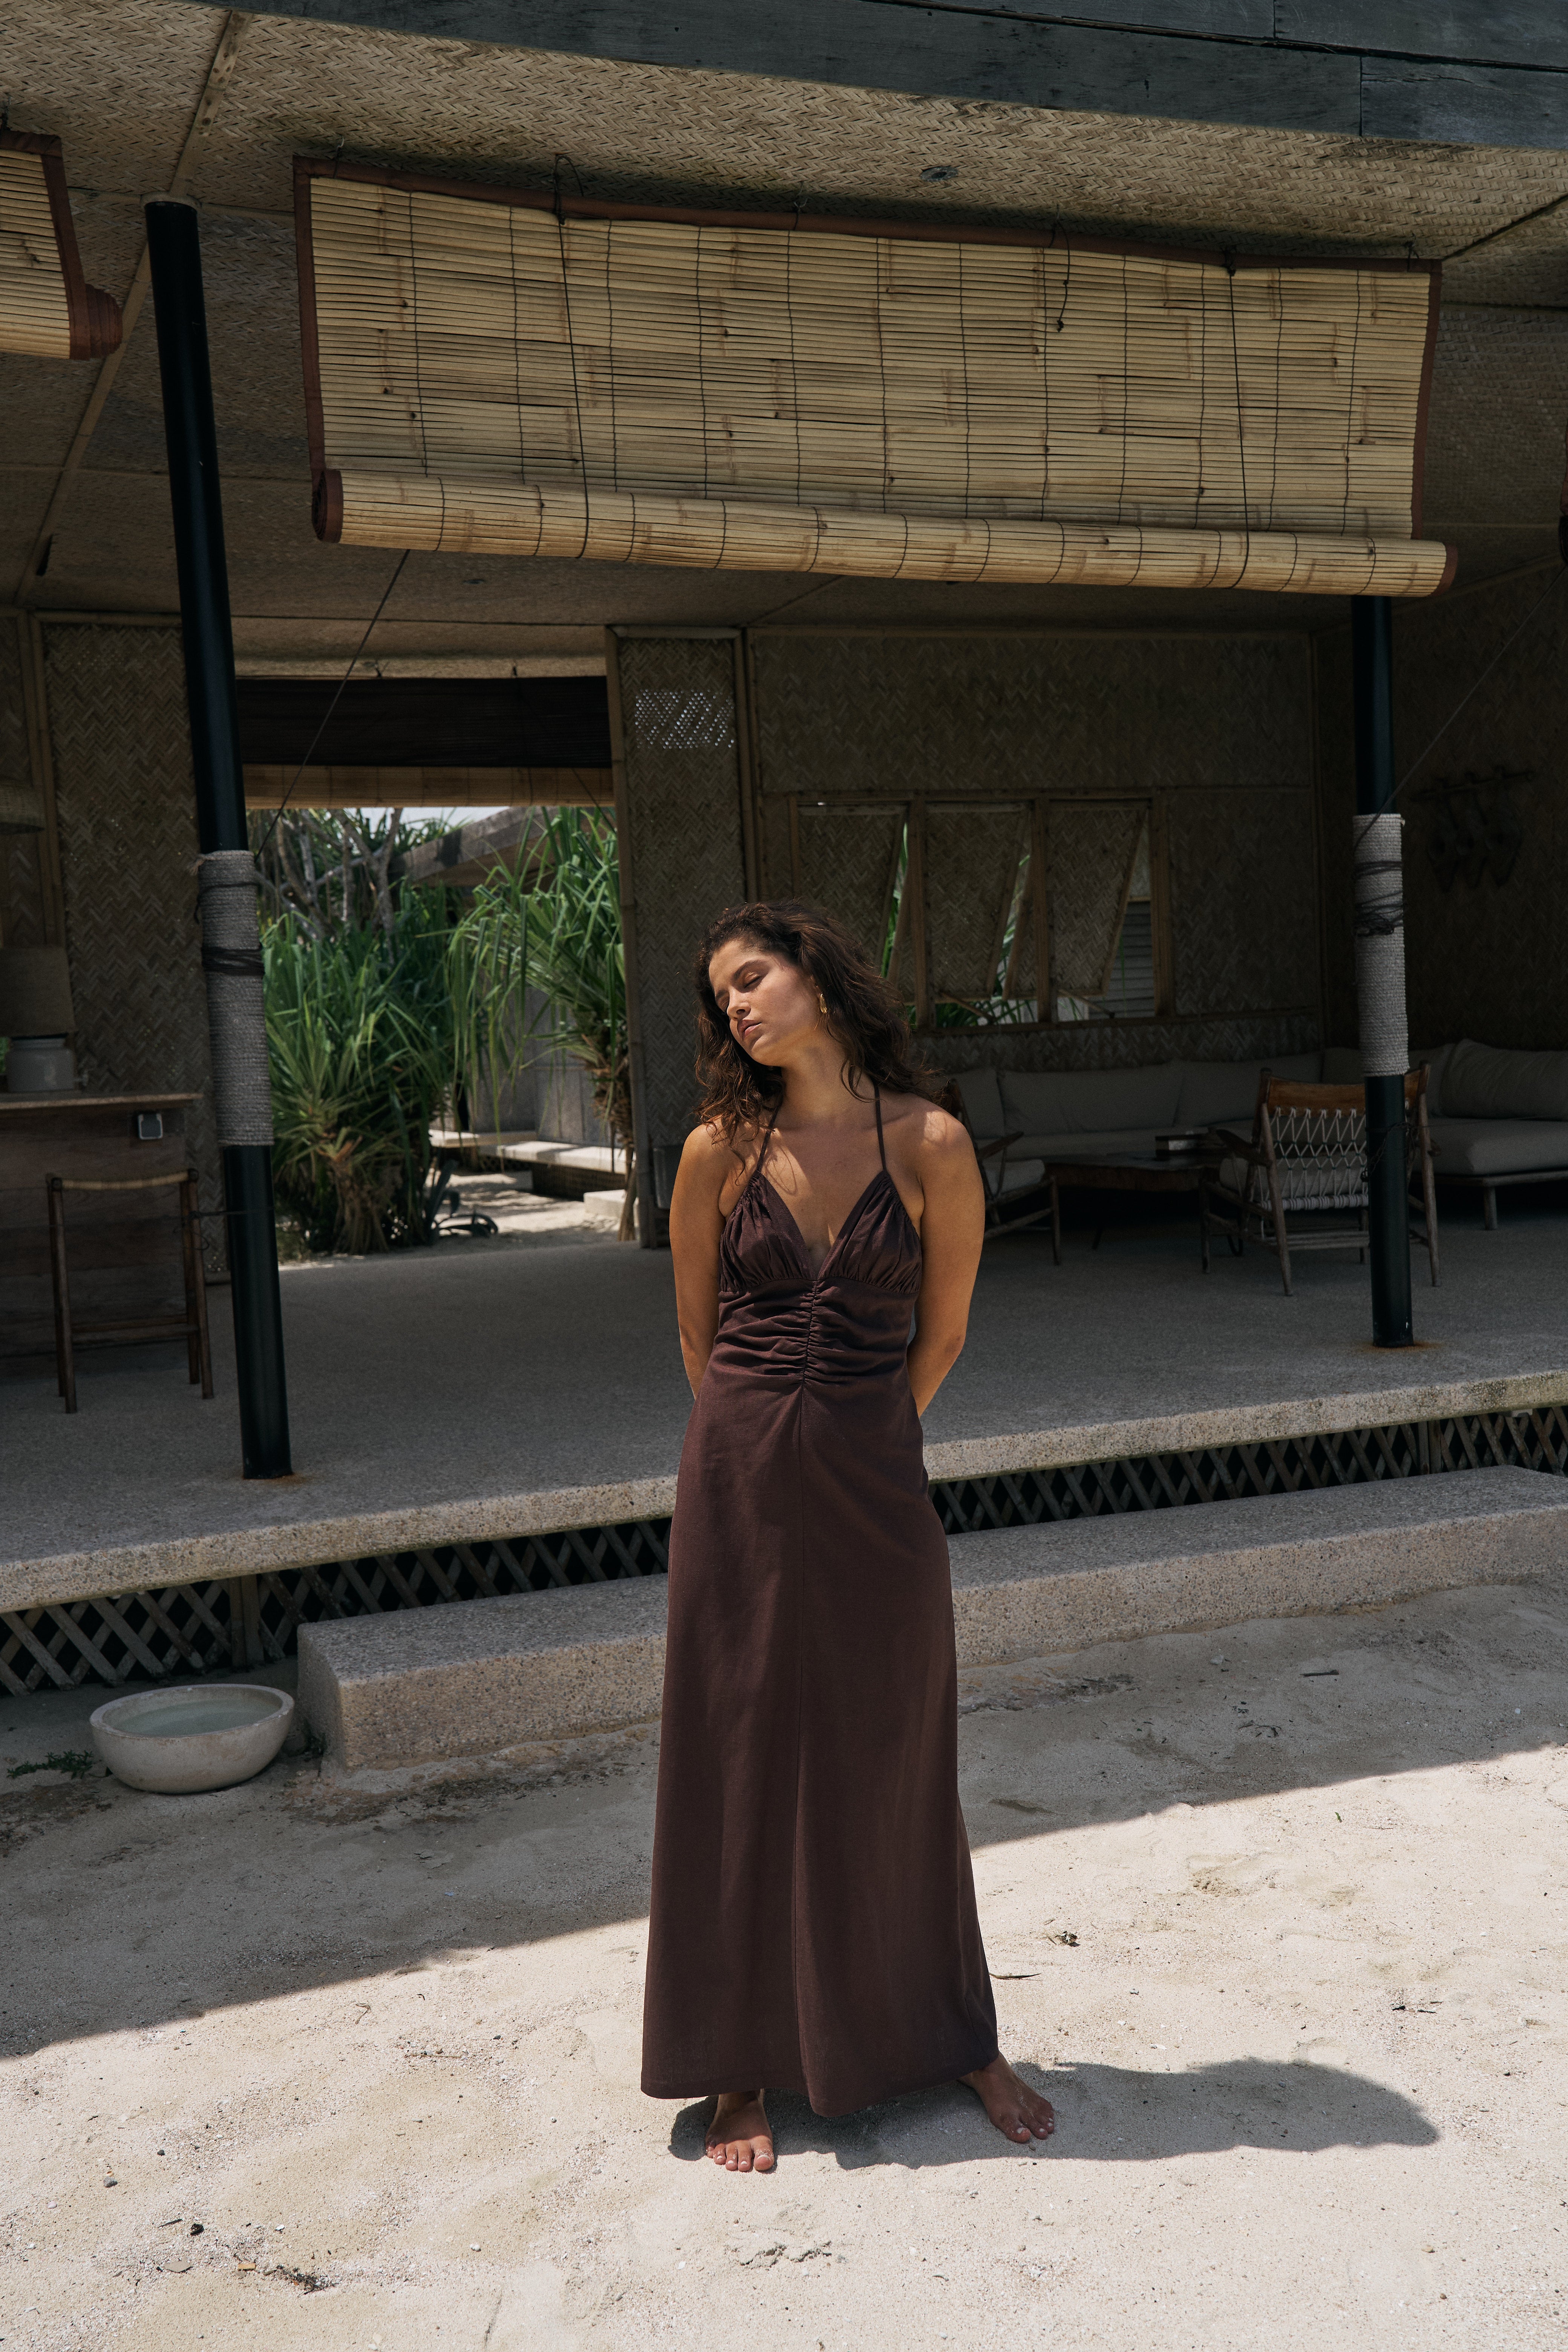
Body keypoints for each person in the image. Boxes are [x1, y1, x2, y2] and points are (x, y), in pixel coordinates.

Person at [641, 899, 1055, 2173]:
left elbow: (945, 1335)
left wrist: (868, 1436)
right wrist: (770, 1436)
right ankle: (738, 2063)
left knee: (897, 1743)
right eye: (722, 999)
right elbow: (699, 1339)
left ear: (816, 972)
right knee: (740, 1749)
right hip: (742, 1477)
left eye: (752, 979)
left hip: (878, 1483)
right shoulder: (718, 1147)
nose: (738, 1009)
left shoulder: (930, 1141)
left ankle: (952, 2034)